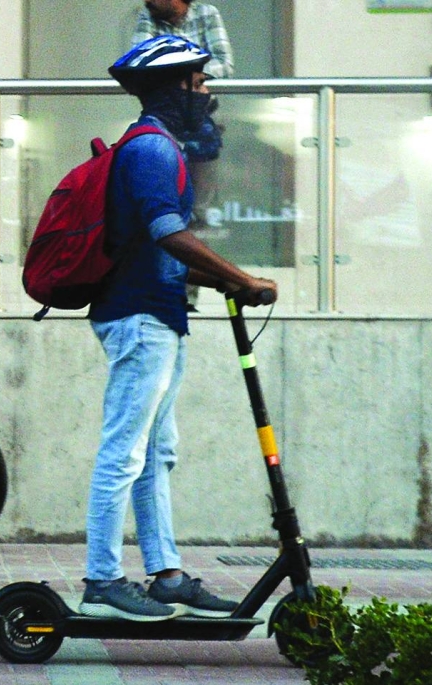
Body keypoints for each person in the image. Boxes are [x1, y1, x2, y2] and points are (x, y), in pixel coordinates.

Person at [78, 35, 278, 623]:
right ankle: (101, 578)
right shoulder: (152, 151)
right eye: (199, 82)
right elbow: (168, 232)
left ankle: (165, 574)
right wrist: (238, 273)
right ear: (175, 89)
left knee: (157, 452)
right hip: (139, 319)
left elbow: (161, 248)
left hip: (158, 312)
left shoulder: (158, 147)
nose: (208, 93)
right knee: (125, 450)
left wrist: (229, 282)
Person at [130, 0, 234, 307]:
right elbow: (140, 64)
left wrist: (184, 75)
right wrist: (190, 73)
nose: (148, 1)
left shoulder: (207, 13)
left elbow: (226, 64)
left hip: (201, 120)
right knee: (162, 209)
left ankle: (187, 293)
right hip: (167, 116)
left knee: (197, 211)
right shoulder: (147, 15)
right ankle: (164, 285)